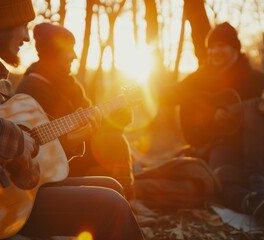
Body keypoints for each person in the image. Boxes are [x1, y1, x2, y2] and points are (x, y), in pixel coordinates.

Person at [0, 1, 144, 239]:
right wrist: (14, 139)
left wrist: (66, 142)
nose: (26, 37)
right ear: (1, 21)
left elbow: (13, 148)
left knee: (111, 186)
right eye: (23, 26)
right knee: (111, 206)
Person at [15, 23, 157, 223]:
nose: (74, 56)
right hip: (55, 165)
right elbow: (44, 147)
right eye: (69, 50)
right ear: (52, 53)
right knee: (114, 148)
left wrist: (119, 112)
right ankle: (128, 204)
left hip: (80, 154)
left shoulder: (72, 84)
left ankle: (128, 199)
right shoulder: (31, 88)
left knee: (113, 148)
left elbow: (95, 121)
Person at [159, 22, 264, 226]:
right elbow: (167, 96)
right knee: (220, 175)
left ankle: (257, 183)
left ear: (235, 49)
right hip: (220, 147)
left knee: (251, 110)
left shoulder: (257, 79)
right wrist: (209, 116)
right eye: (212, 46)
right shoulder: (199, 78)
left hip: (254, 149)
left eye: (222, 46)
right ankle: (252, 202)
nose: (216, 51)